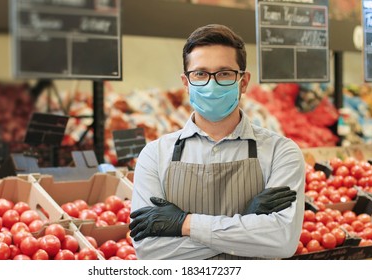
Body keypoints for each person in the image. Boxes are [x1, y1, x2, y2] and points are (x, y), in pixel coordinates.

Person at [129, 24, 305, 260]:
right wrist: (246, 222)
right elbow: (149, 251)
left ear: (243, 81)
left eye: (224, 73)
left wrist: (184, 224)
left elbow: (282, 241)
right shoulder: (154, 155)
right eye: (200, 74)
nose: (211, 85)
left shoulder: (281, 152)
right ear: (186, 82)